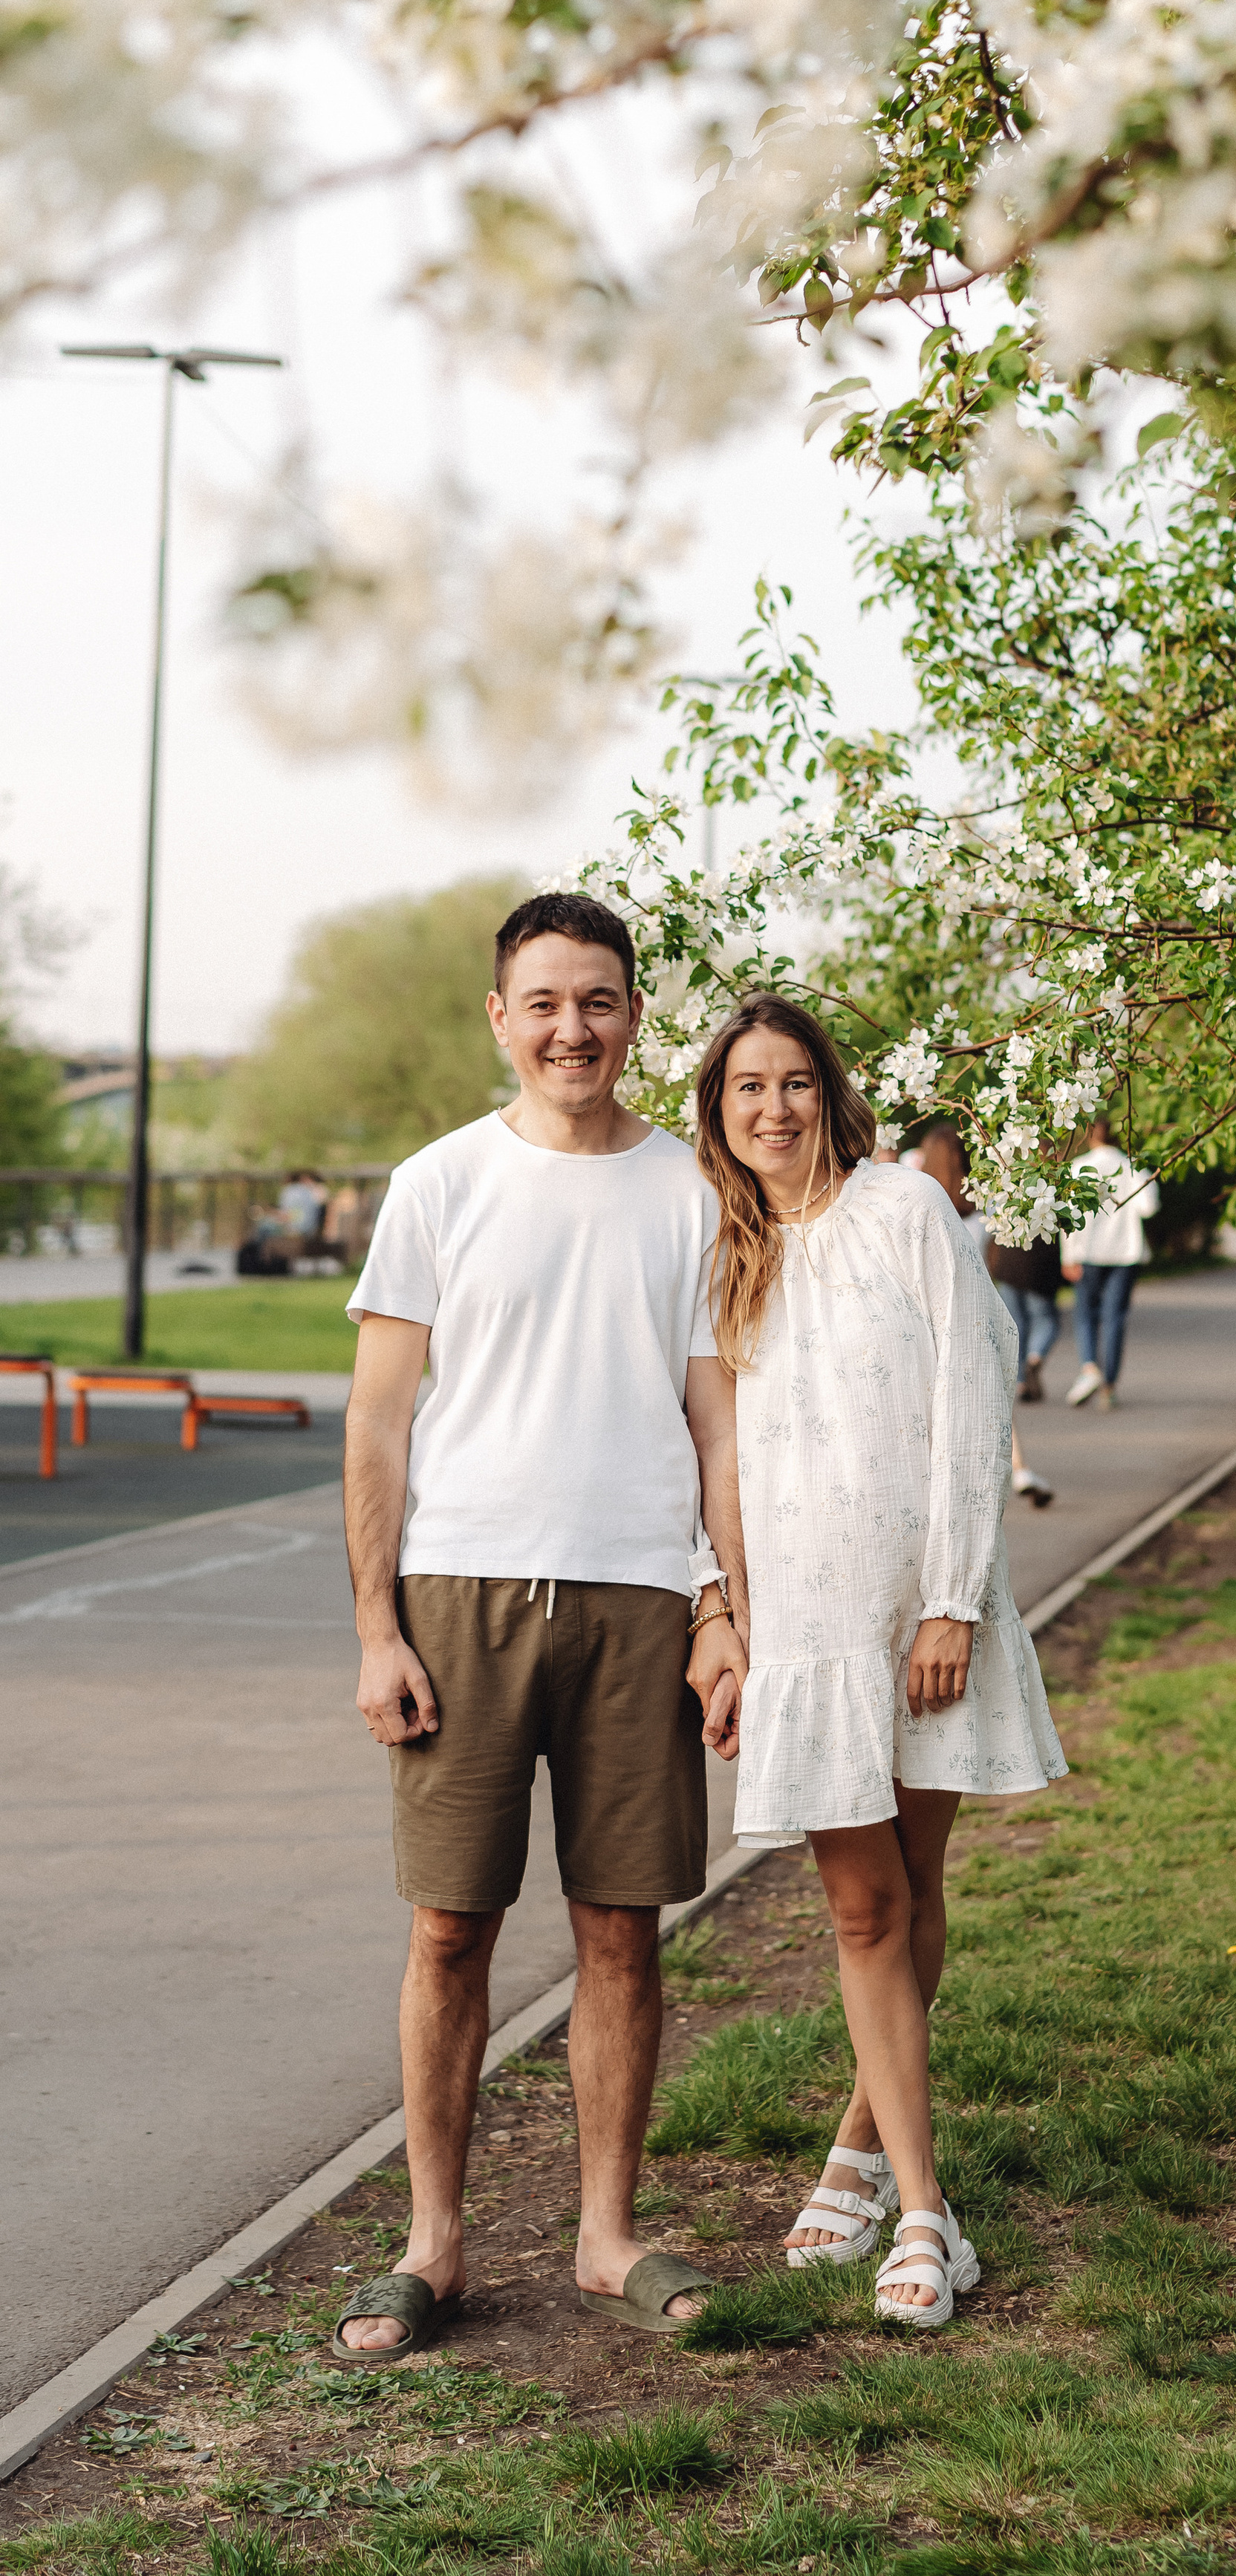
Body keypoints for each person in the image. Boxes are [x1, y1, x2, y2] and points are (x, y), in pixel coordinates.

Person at [332, 891, 749, 2363]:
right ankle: (431, 2248)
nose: (573, 1027)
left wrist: (721, 1608)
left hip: (638, 1598)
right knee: (450, 1925)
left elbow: (718, 1422)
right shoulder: (440, 1184)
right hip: (459, 1593)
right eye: (544, 1001)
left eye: (601, 999)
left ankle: (606, 2236)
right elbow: (379, 1427)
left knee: (620, 1928)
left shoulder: (693, 1194)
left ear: (636, 1013)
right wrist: (378, 1628)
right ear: (499, 1019)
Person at [688, 992, 1067, 2328]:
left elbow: (977, 1391)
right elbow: (698, 1452)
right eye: (747, 1089)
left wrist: (955, 1598)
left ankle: (872, 2164)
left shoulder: (906, 1211)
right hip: (799, 1627)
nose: (773, 1110)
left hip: (917, 1612)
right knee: (862, 1913)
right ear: (718, 1109)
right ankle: (921, 2206)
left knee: (913, 1883)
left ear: (830, 1094)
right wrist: (716, 1614)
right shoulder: (717, 1252)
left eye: (795, 1084)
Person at [917, 1122, 1053, 1508]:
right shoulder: (983, 1210)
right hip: (974, 1319)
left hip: (926, 1322)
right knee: (992, 1403)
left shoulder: (919, 1208)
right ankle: (1020, 1467)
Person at [1063, 1116, 1161, 1410]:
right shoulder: (1132, 1168)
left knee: (1085, 1314)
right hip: (1125, 1253)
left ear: (1090, 1136)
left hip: (1089, 1253)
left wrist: (1068, 1256)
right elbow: (1149, 1208)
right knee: (1114, 1318)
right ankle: (1109, 1386)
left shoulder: (1078, 1168)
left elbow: (1067, 1217)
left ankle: (1090, 1367)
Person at [987, 1230, 1061, 1403]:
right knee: (1046, 1320)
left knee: (1014, 1325)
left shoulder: (1007, 1203)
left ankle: (1019, 1382)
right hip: (1039, 1267)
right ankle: (1035, 1356)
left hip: (1008, 1263)